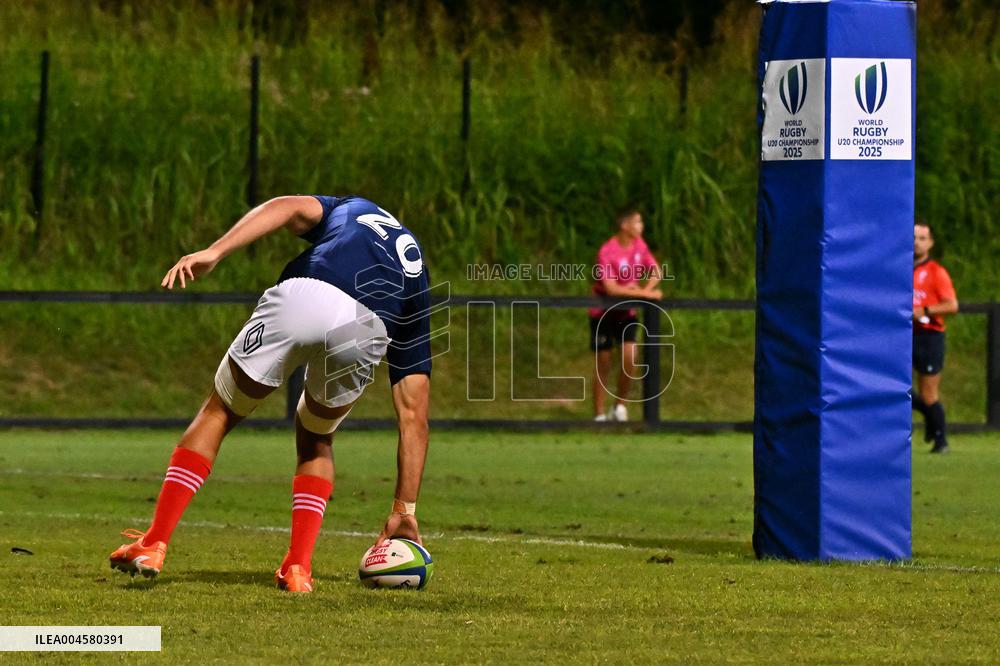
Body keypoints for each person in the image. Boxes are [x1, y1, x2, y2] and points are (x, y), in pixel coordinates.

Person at [108, 195, 432, 593]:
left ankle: (154, 543)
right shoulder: (416, 276)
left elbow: (286, 207)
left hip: (309, 294)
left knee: (220, 411)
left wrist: (216, 251)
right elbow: (414, 413)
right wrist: (404, 509)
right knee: (316, 436)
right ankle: (298, 569)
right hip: (366, 327)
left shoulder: (353, 208)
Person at [589, 206, 662, 422]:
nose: (641, 226)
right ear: (625, 225)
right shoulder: (607, 251)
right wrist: (642, 293)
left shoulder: (639, 245)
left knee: (630, 357)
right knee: (603, 362)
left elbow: (656, 271)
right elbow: (611, 288)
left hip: (626, 313)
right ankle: (599, 414)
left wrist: (646, 291)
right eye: (637, 222)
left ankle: (619, 407)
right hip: (603, 312)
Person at [912, 220, 958, 454]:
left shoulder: (936, 272)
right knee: (895, 386)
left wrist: (925, 311)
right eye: (913, 237)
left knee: (928, 392)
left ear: (930, 243)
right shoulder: (898, 270)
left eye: (922, 238)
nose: (916, 243)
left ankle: (941, 441)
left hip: (929, 335)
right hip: (902, 335)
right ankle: (930, 419)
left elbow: (952, 305)